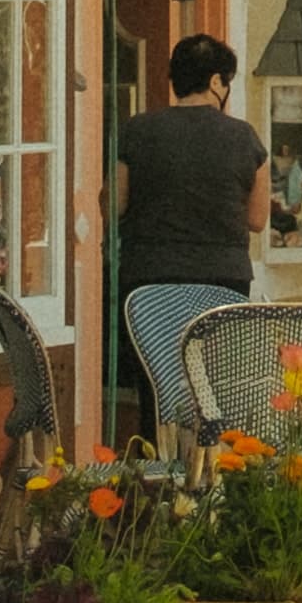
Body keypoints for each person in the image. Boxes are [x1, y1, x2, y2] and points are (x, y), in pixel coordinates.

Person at [115, 33, 269, 418]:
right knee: (216, 391)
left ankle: (159, 464)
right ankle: (210, 468)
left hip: (150, 282)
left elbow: (114, 204)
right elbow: (257, 219)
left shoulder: (137, 130)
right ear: (217, 81)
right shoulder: (244, 138)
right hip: (222, 282)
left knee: (157, 385)